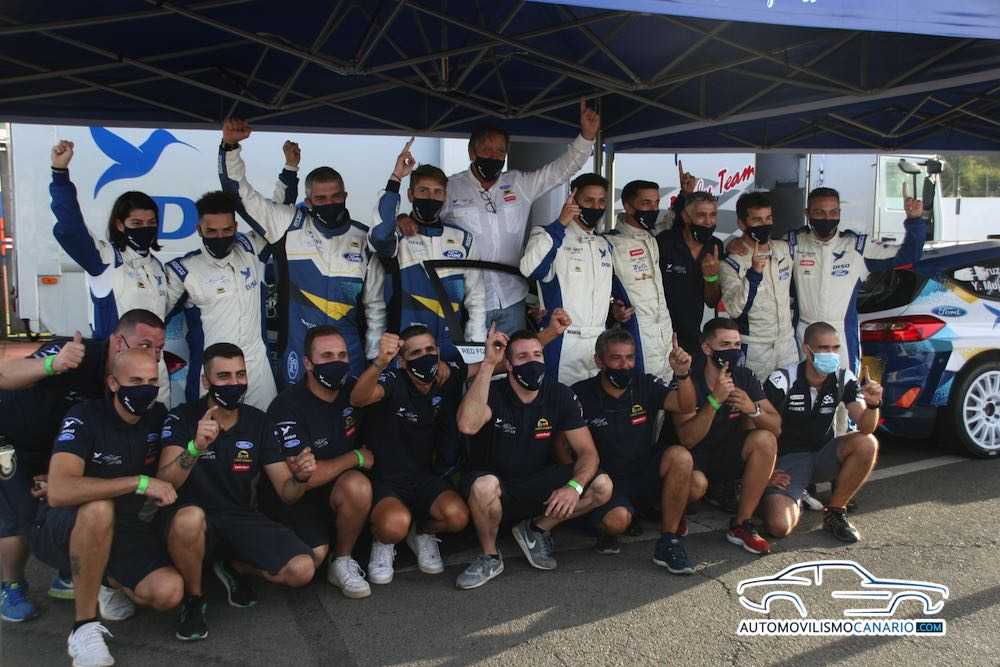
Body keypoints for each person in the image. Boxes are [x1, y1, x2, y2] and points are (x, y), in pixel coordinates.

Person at [0, 308, 166, 622]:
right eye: (145, 345)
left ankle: (68, 571)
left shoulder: (129, 379)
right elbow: (5, 375)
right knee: (19, 514)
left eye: (158, 348)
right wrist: (53, 363)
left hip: (56, 443)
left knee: (77, 495)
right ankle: (11, 585)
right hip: (13, 435)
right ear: (118, 342)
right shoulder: (77, 352)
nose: (153, 355)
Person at [31, 348, 183, 667]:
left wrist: (194, 448)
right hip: (65, 523)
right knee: (99, 508)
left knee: (168, 592)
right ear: (113, 383)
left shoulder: (158, 416)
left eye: (152, 382)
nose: (145, 389)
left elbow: (170, 478)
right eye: (136, 381)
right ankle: (83, 628)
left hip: (125, 526)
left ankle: (103, 581)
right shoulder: (84, 416)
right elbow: (58, 490)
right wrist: (138, 482)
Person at [157, 343, 315, 642]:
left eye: (240, 375)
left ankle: (231, 565)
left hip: (238, 518)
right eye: (224, 376)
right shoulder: (182, 417)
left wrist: (302, 477)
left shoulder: (259, 422)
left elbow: (287, 492)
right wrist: (195, 448)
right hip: (188, 520)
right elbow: (166, 482)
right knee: (190, 518)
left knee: (302, 569)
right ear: (206, 381)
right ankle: (194, 600)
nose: (234, 383)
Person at [406, 99, 598, 334]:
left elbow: (560, 171)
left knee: (515, 356)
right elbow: (426, 221)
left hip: (512, 298)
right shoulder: (451, 187)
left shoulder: (519, 184)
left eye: (500, 151)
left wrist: (587, 137)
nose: (494, 156)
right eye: (486, 150)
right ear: (472, 152)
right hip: (468, 301)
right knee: (472, 358)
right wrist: (404, 220)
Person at [217, 119, 385, 383]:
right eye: (320, 199)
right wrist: (230, 147)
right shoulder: (287, 225)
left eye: (336, 197)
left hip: (348, 352)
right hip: (299, 350)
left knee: (351, 410)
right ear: (308, 201)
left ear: (345, 196)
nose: (329, 203)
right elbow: (240, 195)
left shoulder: (363, 238)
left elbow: (375, 308)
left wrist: (376, 360)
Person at [455, 328, 613, 589]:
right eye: (523, 357)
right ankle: (490, 556)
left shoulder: (559, 394)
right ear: (509, 365)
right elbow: (468, 426)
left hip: (536, 483)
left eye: (537, 355)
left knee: (602, 485)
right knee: (484, 485)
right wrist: (488, 365)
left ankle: (536, 530)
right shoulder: (491, 391)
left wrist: (573, 487)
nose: (532, 362)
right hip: (495, 487)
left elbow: (588, 452)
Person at [728, 185, 927, 374]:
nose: (827, 218)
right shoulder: (793, 243)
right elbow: (761, 245)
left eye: (833, 212)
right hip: (803, 332)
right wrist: (735, 242)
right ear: (807, 213)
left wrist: (915, 221)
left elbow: (908, 255)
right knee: (800, 389)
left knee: (844, 389)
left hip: (841, 333)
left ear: (840, 213)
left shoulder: (857, 246)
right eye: (819, 213)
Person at [50, 140, 172, 403]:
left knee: (159, 427)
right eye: (136, 222)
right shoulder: (103, 259)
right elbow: (71, 227)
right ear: (119, 224)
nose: (145, 228)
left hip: (156, 374)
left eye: (151, 223)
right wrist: (60, 175)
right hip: (118, 374)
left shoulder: (156, 267)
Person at [573, 329, 701, 574]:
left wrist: (682, 374)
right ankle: (607, 528)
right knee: (617, 521)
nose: (624, 365)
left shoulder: (645, 383)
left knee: (681, 457)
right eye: (616, 358)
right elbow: (562, 447)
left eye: (630, 358)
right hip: (604, 482)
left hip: (642, 473)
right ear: (599, 361)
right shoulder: (580, 393)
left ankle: (669, 541)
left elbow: (685, 405)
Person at [350, 327, 470, 586]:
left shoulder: (444, 375)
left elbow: (491, 366)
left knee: (457, 517)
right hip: (388, 479)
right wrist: (380, 362)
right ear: (403, 361)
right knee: (394, 525)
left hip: (426, 477)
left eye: (430, 350)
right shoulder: (393, 379)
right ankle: (383, 540)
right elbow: (359, 399)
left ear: (438, 352)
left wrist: (548, 333)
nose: (425, 357)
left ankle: (421, 531)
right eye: (416, 353)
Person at [264, 325, 375, 599]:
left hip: (340, 492)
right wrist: (355, 457)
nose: (336, 362)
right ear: (307, 363)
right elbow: (305, 476)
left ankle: (342, 560)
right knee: (311, 560)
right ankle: (236, 564)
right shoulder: (287, 406)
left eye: (342, 355)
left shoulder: (354, 391)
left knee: (358, 485)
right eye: (326, 356)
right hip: (299, 499)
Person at [760, 322, 882, 543]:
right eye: (824, 348)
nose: (831, 354)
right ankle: (784, 495)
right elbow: (754, 428)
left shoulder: (844, 378)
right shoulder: (782, 380)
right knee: (779, 526)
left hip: (823, 456)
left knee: (868, 443)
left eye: (835, 348)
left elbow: (866, 427)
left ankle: (835, 512)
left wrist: (874, 405)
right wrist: (765, 473)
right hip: (787, 462)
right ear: (807, 350)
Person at [670, 318, 781, 555]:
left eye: (737, 345)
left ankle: (741, 524)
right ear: (706, 348)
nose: (732, 350)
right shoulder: (689, 378)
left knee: (765, 439)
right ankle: (675, 513)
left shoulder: (743, 376)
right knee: (696, 485)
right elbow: (687, 438)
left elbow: (776, 426)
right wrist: (714, 401)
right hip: (691, 458)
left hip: (726, 454)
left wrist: (753, 409)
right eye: (725, 344)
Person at [368, 139, 486, 362]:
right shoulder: (396, 236)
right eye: (423, 191)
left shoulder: (463, 240)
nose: (431, 198)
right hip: (406, 350)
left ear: (445, 196)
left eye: (437, 192)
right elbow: (380, 235)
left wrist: (475, 353)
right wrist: (396, 178)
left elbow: (476, 300)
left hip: (451, 349)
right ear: (410, 195)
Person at [165, 191, 278, 410]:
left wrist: (287, 175)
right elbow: (150, 318)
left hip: (257, 370)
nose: (220, 236)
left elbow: (273, 216)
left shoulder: (250, 249)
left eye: (226, 230)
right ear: (199, 230)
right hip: (213, 374)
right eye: (212, 231)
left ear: (235, 227)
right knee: (210, 430)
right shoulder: (183, 270)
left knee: (266, 428)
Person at [520, 173, 614, 386]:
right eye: (588, 200)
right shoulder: (547, 235)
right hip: (563, 340)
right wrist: (560, 224)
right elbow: (530, 269)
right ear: (573, 200)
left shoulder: (604, 244)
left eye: (601, 201)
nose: (596, 207)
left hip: (599, 342)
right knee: (559, 402)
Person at [719, 191, 797, 380]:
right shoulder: (731, 263)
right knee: (753, 396)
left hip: (787, 344)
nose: (764, 225)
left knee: (791, 396)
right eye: (757, 220)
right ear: (741, 224)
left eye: (768, 218)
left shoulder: (784, 249)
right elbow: (735, 309)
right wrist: (753, 274)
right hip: (754, 348)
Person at [605, 179, 675, 380]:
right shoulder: (611, 243)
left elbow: (670, 222)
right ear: (628, 206)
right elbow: (597, 289)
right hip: (637, 331)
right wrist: (613, 309)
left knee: (666, 387)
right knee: (641, 388)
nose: (653, 209)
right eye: (646, 203)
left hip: (664, 329)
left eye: (656, 203)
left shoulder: (651, 238)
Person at [657, 191, 724, 356]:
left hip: (693, 335)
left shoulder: (715, 246)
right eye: (701, 215)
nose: (708, 222)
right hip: (659, 333)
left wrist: (711, 277)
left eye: (713, 215)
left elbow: (712, 301)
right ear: (686, 217)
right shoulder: (664, 242)